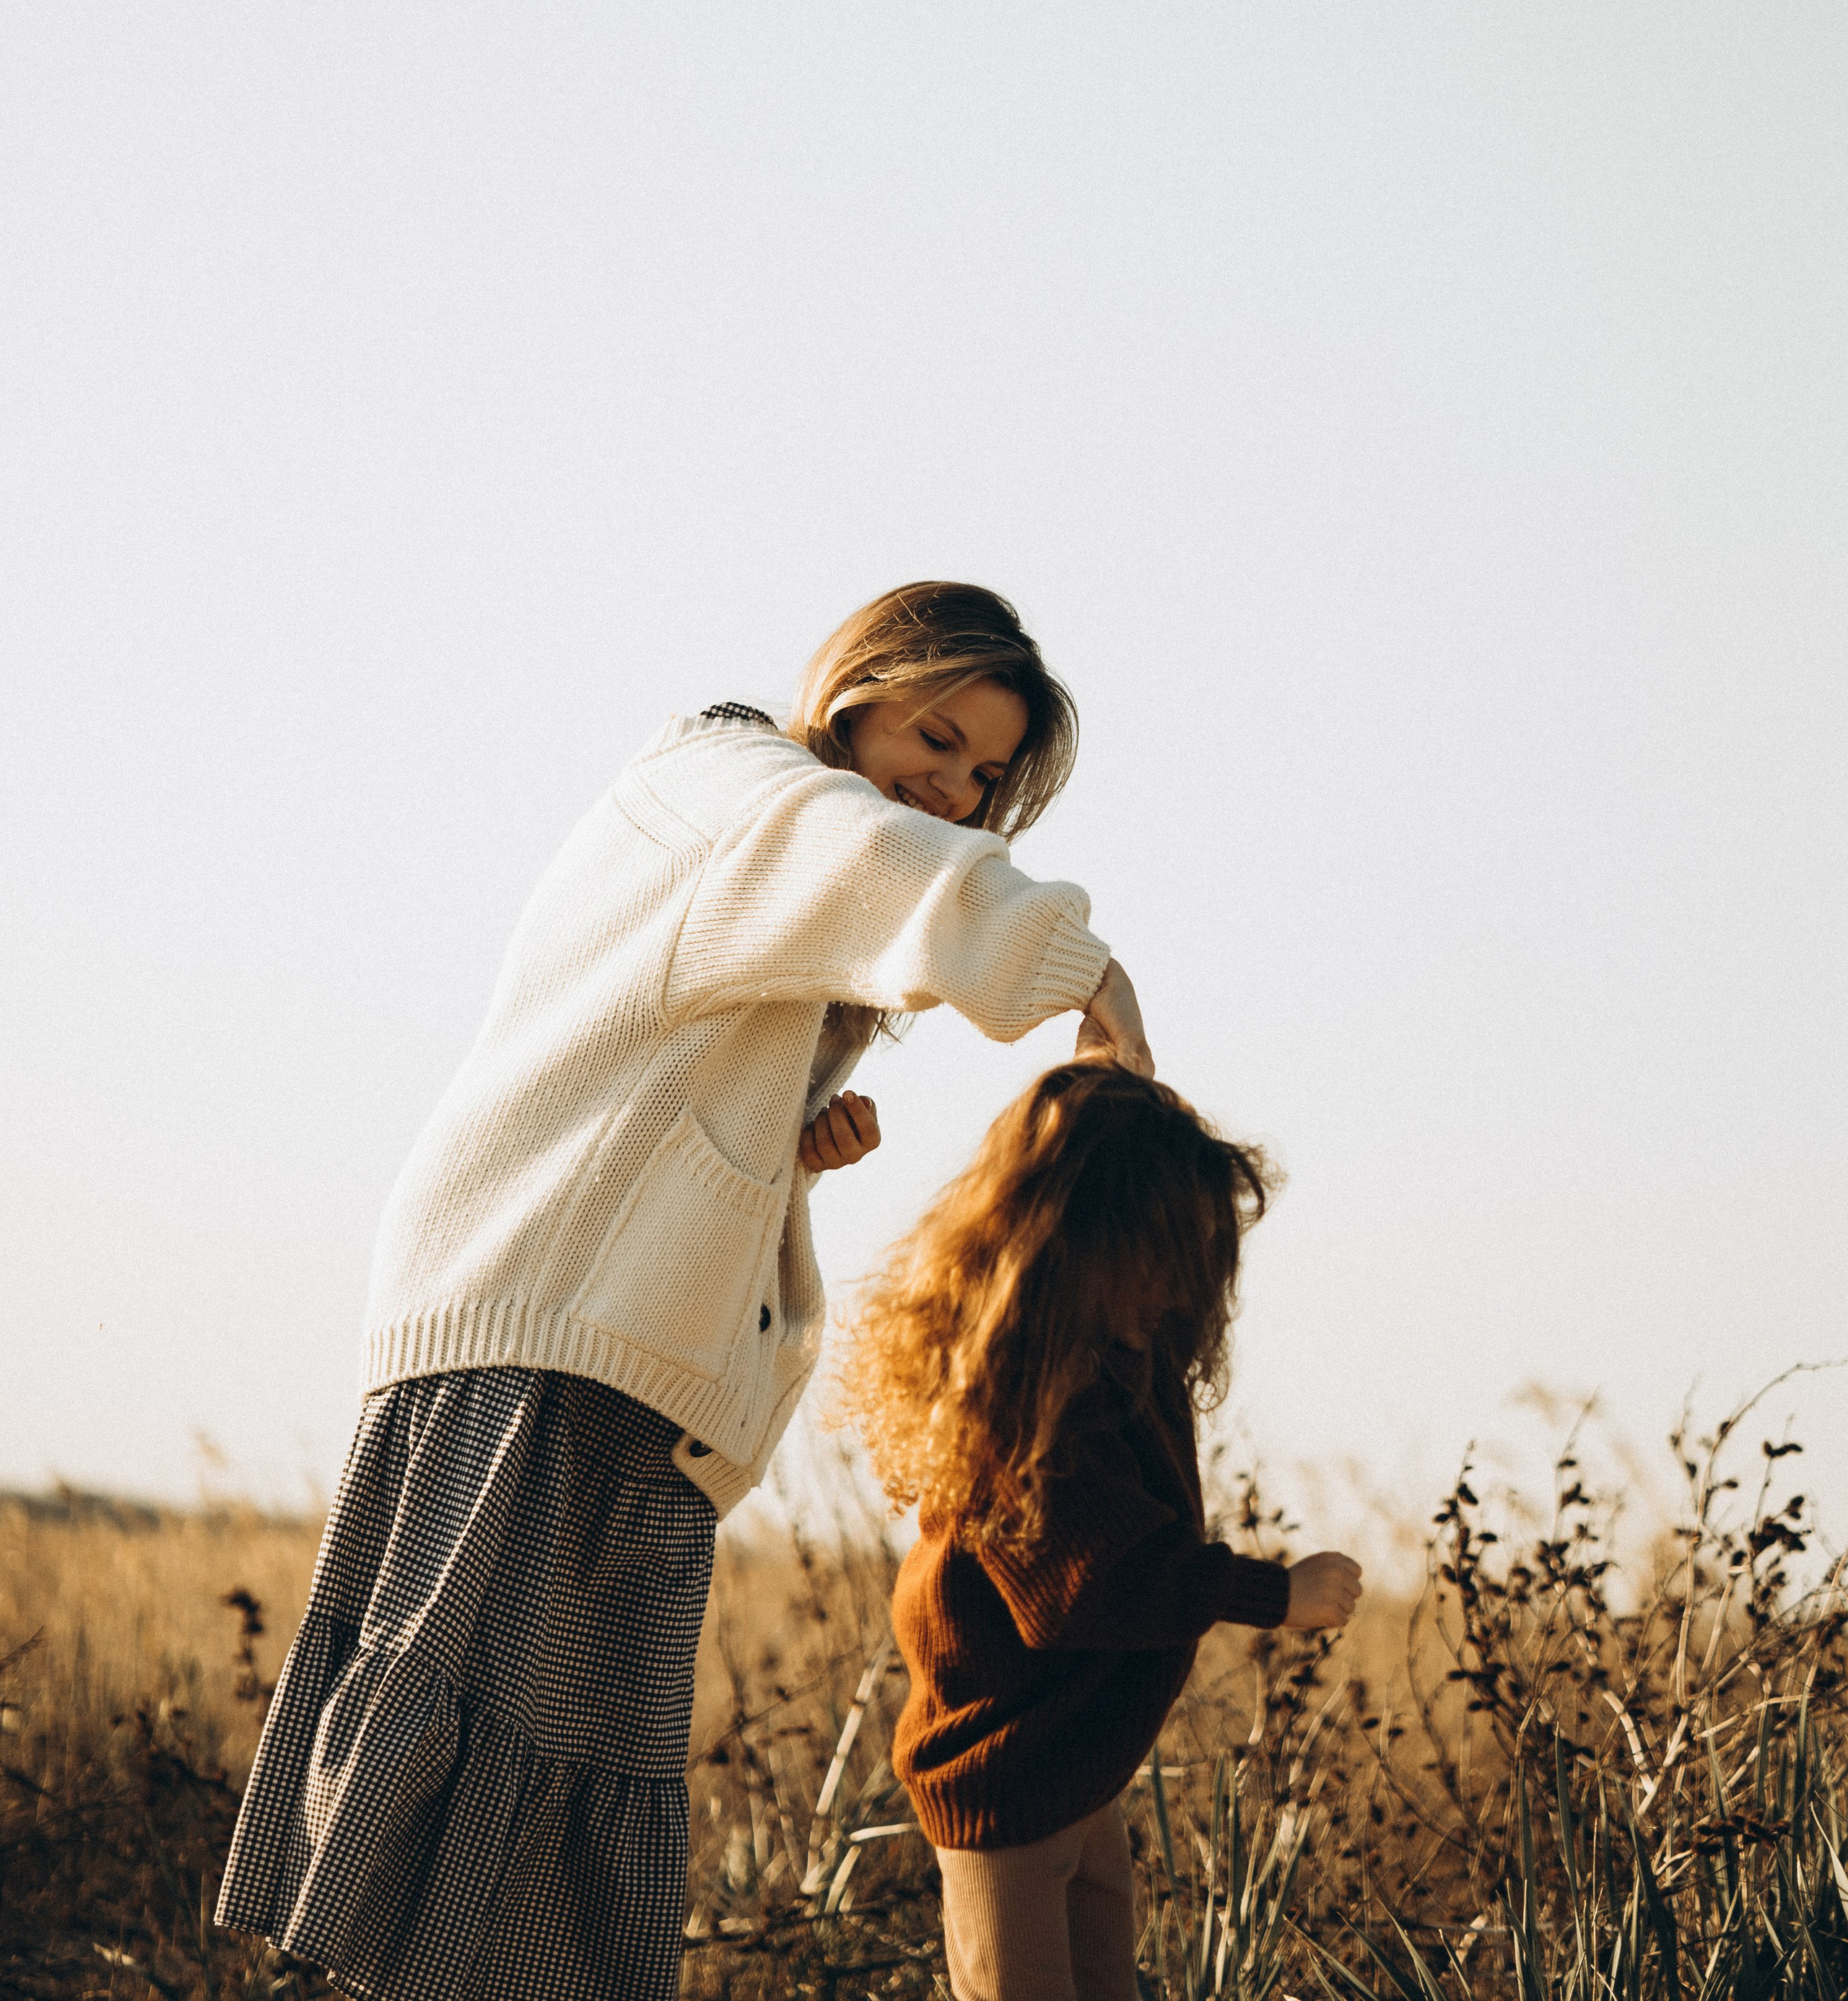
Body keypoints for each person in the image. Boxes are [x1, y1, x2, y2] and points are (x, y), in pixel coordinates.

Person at [215, 581, 1151, 2001]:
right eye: (938, 737)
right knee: (479, 1770)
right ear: (857, 688)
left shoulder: (773, 852)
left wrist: (783, 1155)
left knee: (566, 1787)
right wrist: (1091, 982)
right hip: (544, 1322)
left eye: (980, 776)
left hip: (613, 1342)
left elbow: (674, 1079)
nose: (953, 788)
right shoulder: (733, 784)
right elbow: (885, 864)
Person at [835, 1059, 1362, 2001]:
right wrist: (1274, 1595)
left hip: (1078, 1778)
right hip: (1001, 1799)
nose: (1173, 1287)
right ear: (1072, 1246)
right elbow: (1093, 1584)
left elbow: (1111, 1151)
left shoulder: (1116, 1356)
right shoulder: (1022, 1409)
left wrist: (1119, 1059)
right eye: (1156, 1255)